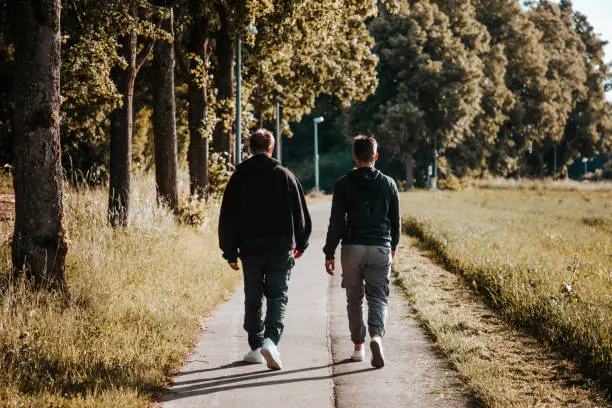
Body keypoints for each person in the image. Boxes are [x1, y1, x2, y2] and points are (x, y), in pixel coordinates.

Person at [219, 128, 312, 370]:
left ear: (250, 148)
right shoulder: (285, 175)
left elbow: (227, 216)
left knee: (253, 296)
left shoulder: (238, 178)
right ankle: (271, 341)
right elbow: (300, 213)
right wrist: (301, 243)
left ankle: (255, 346)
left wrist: (229, 251)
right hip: (280, 248)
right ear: (271, 148)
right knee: (277, 295)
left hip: (250, 249)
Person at [323, 135, 400, 368]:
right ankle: (376, 336)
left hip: (352, 248)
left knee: (353, 300)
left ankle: (358, 348)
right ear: (375, 156)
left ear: (355, 157)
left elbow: (336, 222)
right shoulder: (389, 183)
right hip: (380, 247)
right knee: (378, 297)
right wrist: (393, 246)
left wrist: (329, 252)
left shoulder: (343, 184)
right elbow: (395, 221)